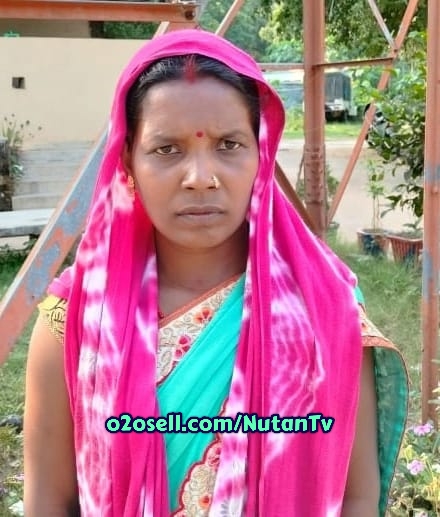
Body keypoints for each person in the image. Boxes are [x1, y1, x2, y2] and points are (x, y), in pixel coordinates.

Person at [23, 29, 408, 516]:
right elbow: (49, 502)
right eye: (167, 149)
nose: (201, 178)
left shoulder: (326, 310)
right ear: (127, 161)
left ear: (261, 154)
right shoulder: (74, 322)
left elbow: (356, 497)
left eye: (229, 144)